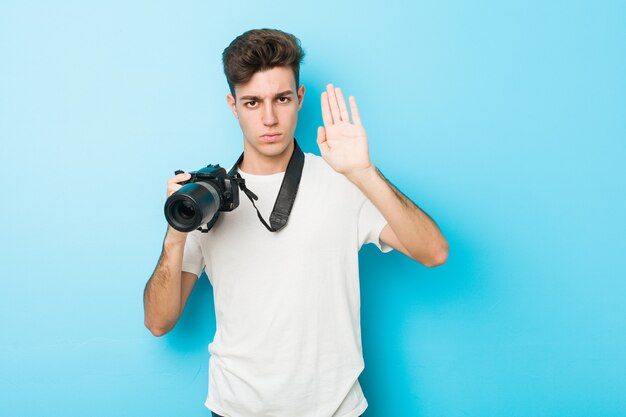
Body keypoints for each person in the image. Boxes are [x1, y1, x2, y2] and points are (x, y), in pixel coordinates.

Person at [143, 28, 448, 417]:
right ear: (233, 106)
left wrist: (365, 172)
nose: (269, 118)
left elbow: (434, 252)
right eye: (252, 102)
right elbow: (158, 322)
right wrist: (175, 234)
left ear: (299, 98)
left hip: (334, 409)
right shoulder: (205, 200)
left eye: (281, 99)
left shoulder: (344, 181)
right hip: (236, 408)